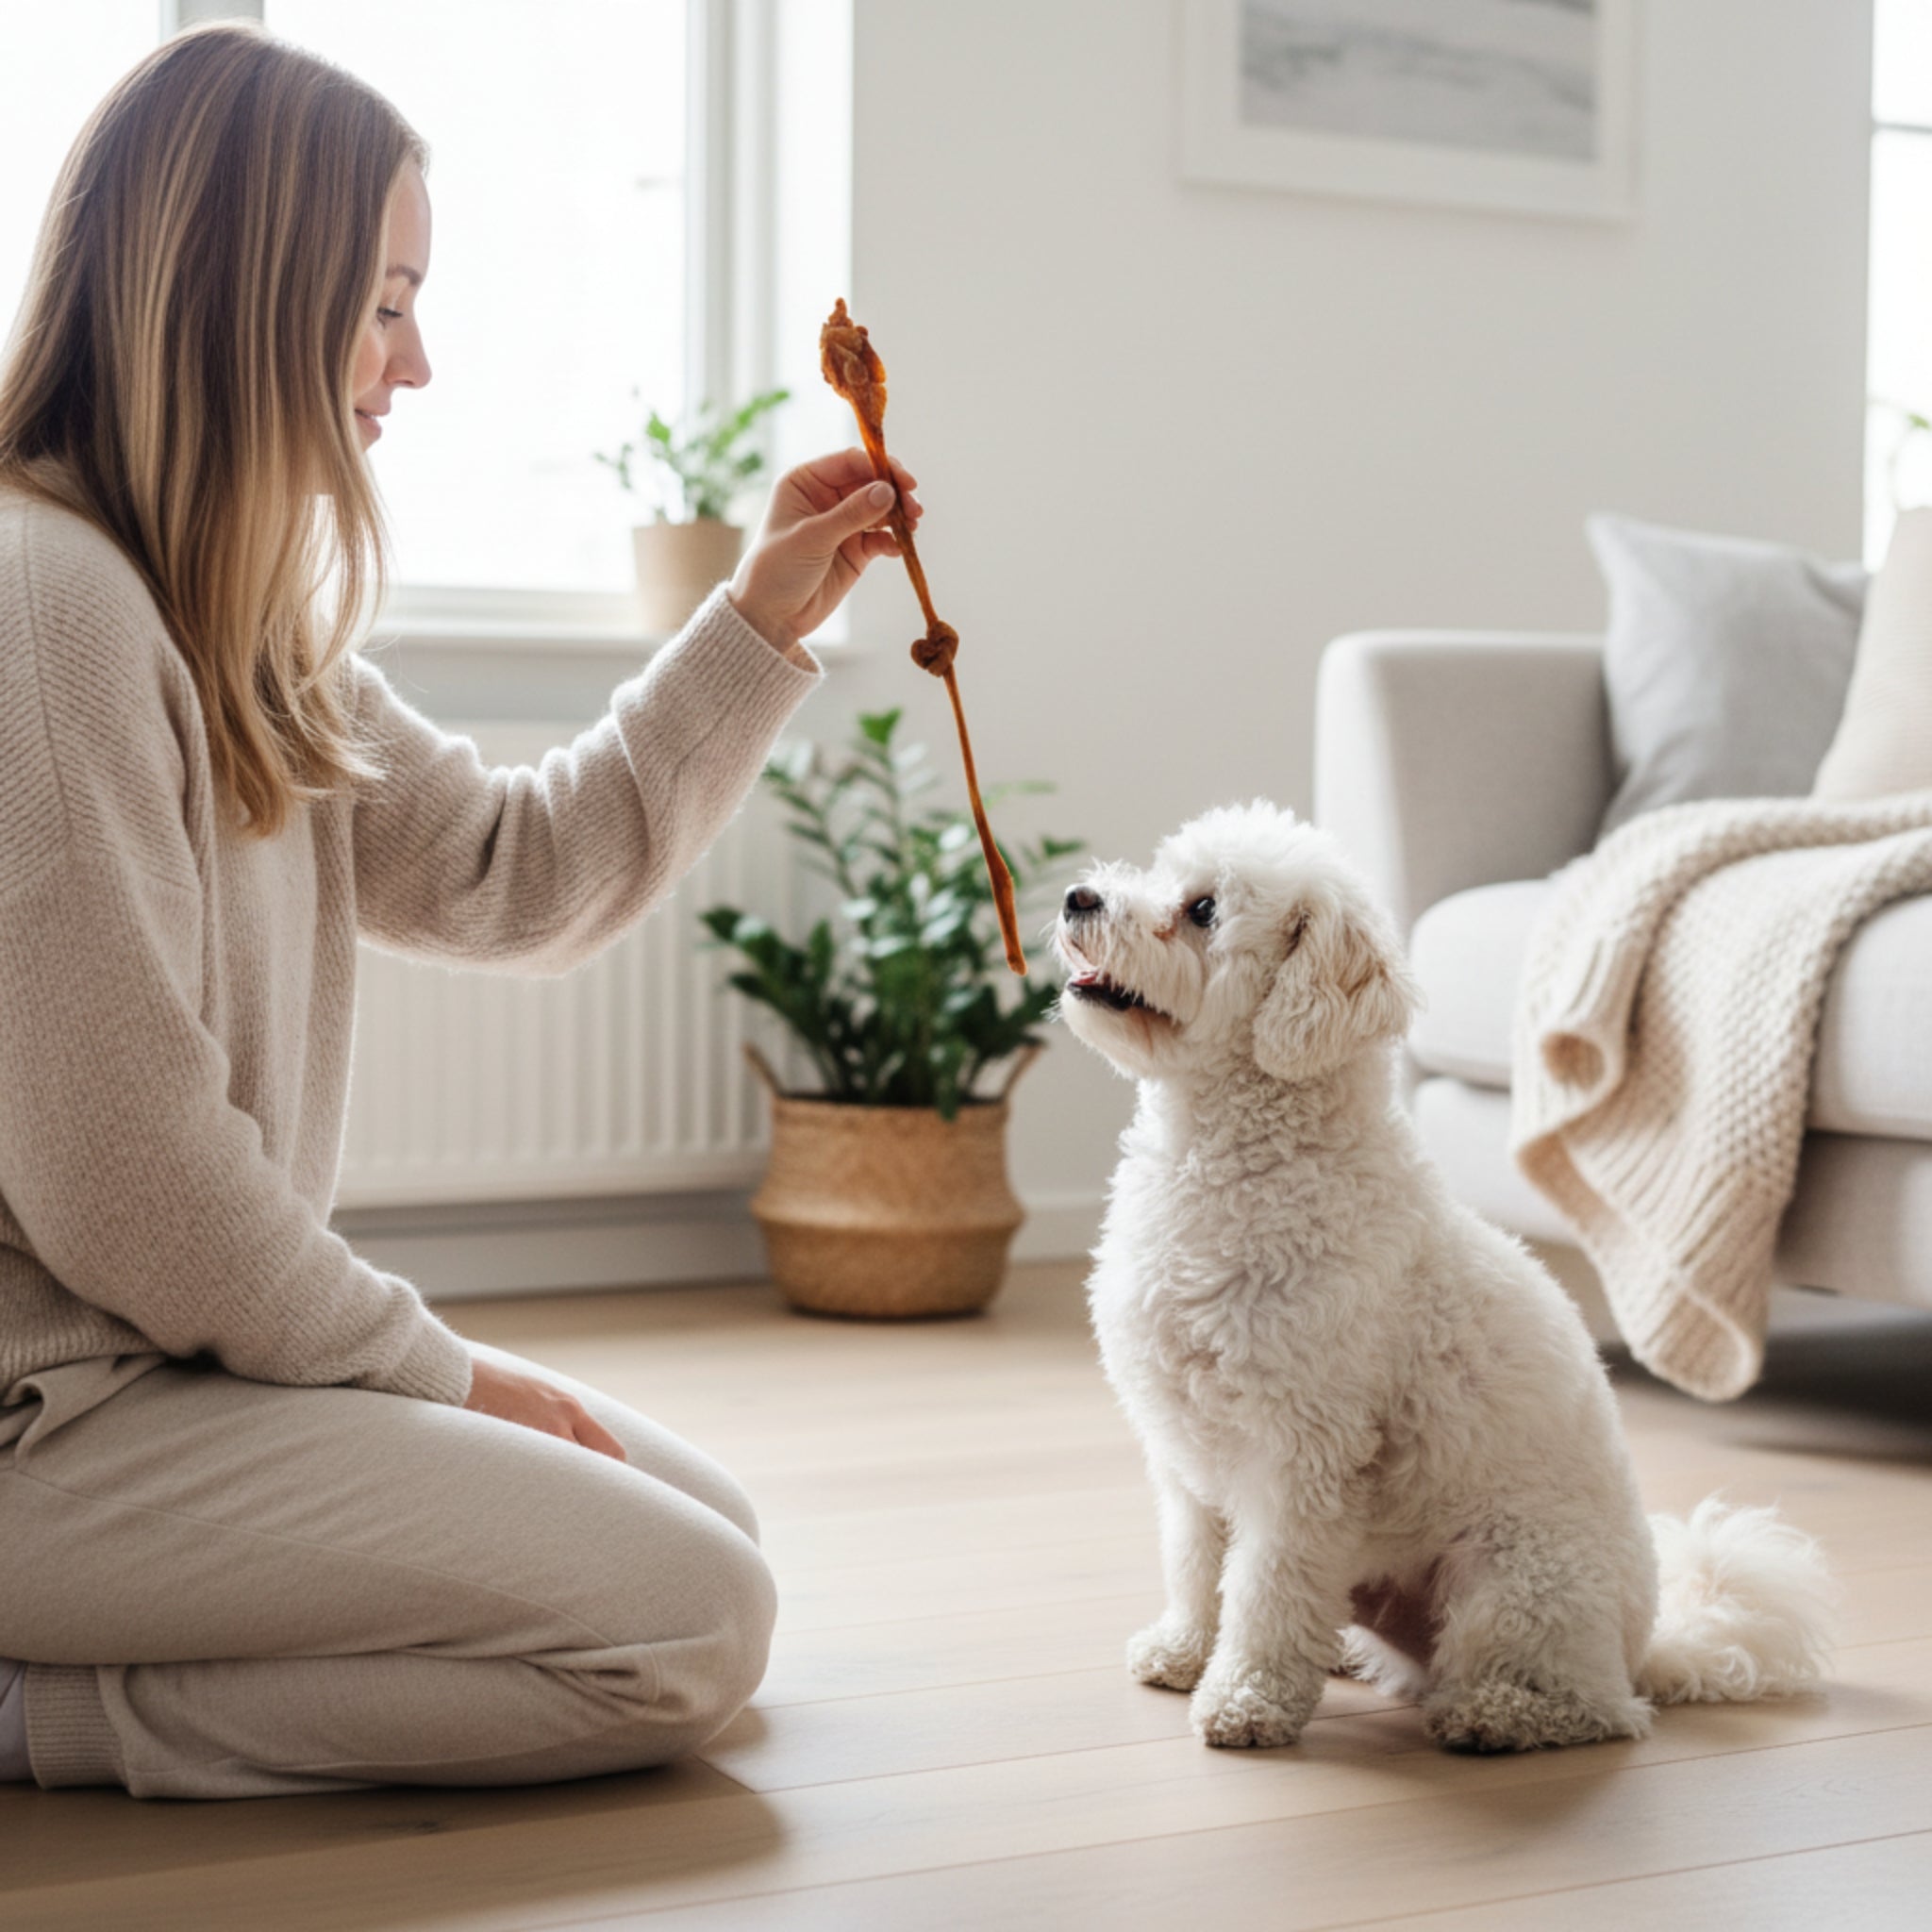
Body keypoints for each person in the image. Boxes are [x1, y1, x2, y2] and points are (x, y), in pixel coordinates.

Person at [0, 19, 916, 1801]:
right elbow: (131, 1183)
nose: (416, 362)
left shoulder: (243, 627)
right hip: (50, 1421)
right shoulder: (47, 609)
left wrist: (760, 617)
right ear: (240, 294)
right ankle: (40, 1715)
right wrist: (438, 1375)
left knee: (699, 1526)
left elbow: (524, 875)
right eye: (383, 301)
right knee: (687, 1621)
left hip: (169, 1373)